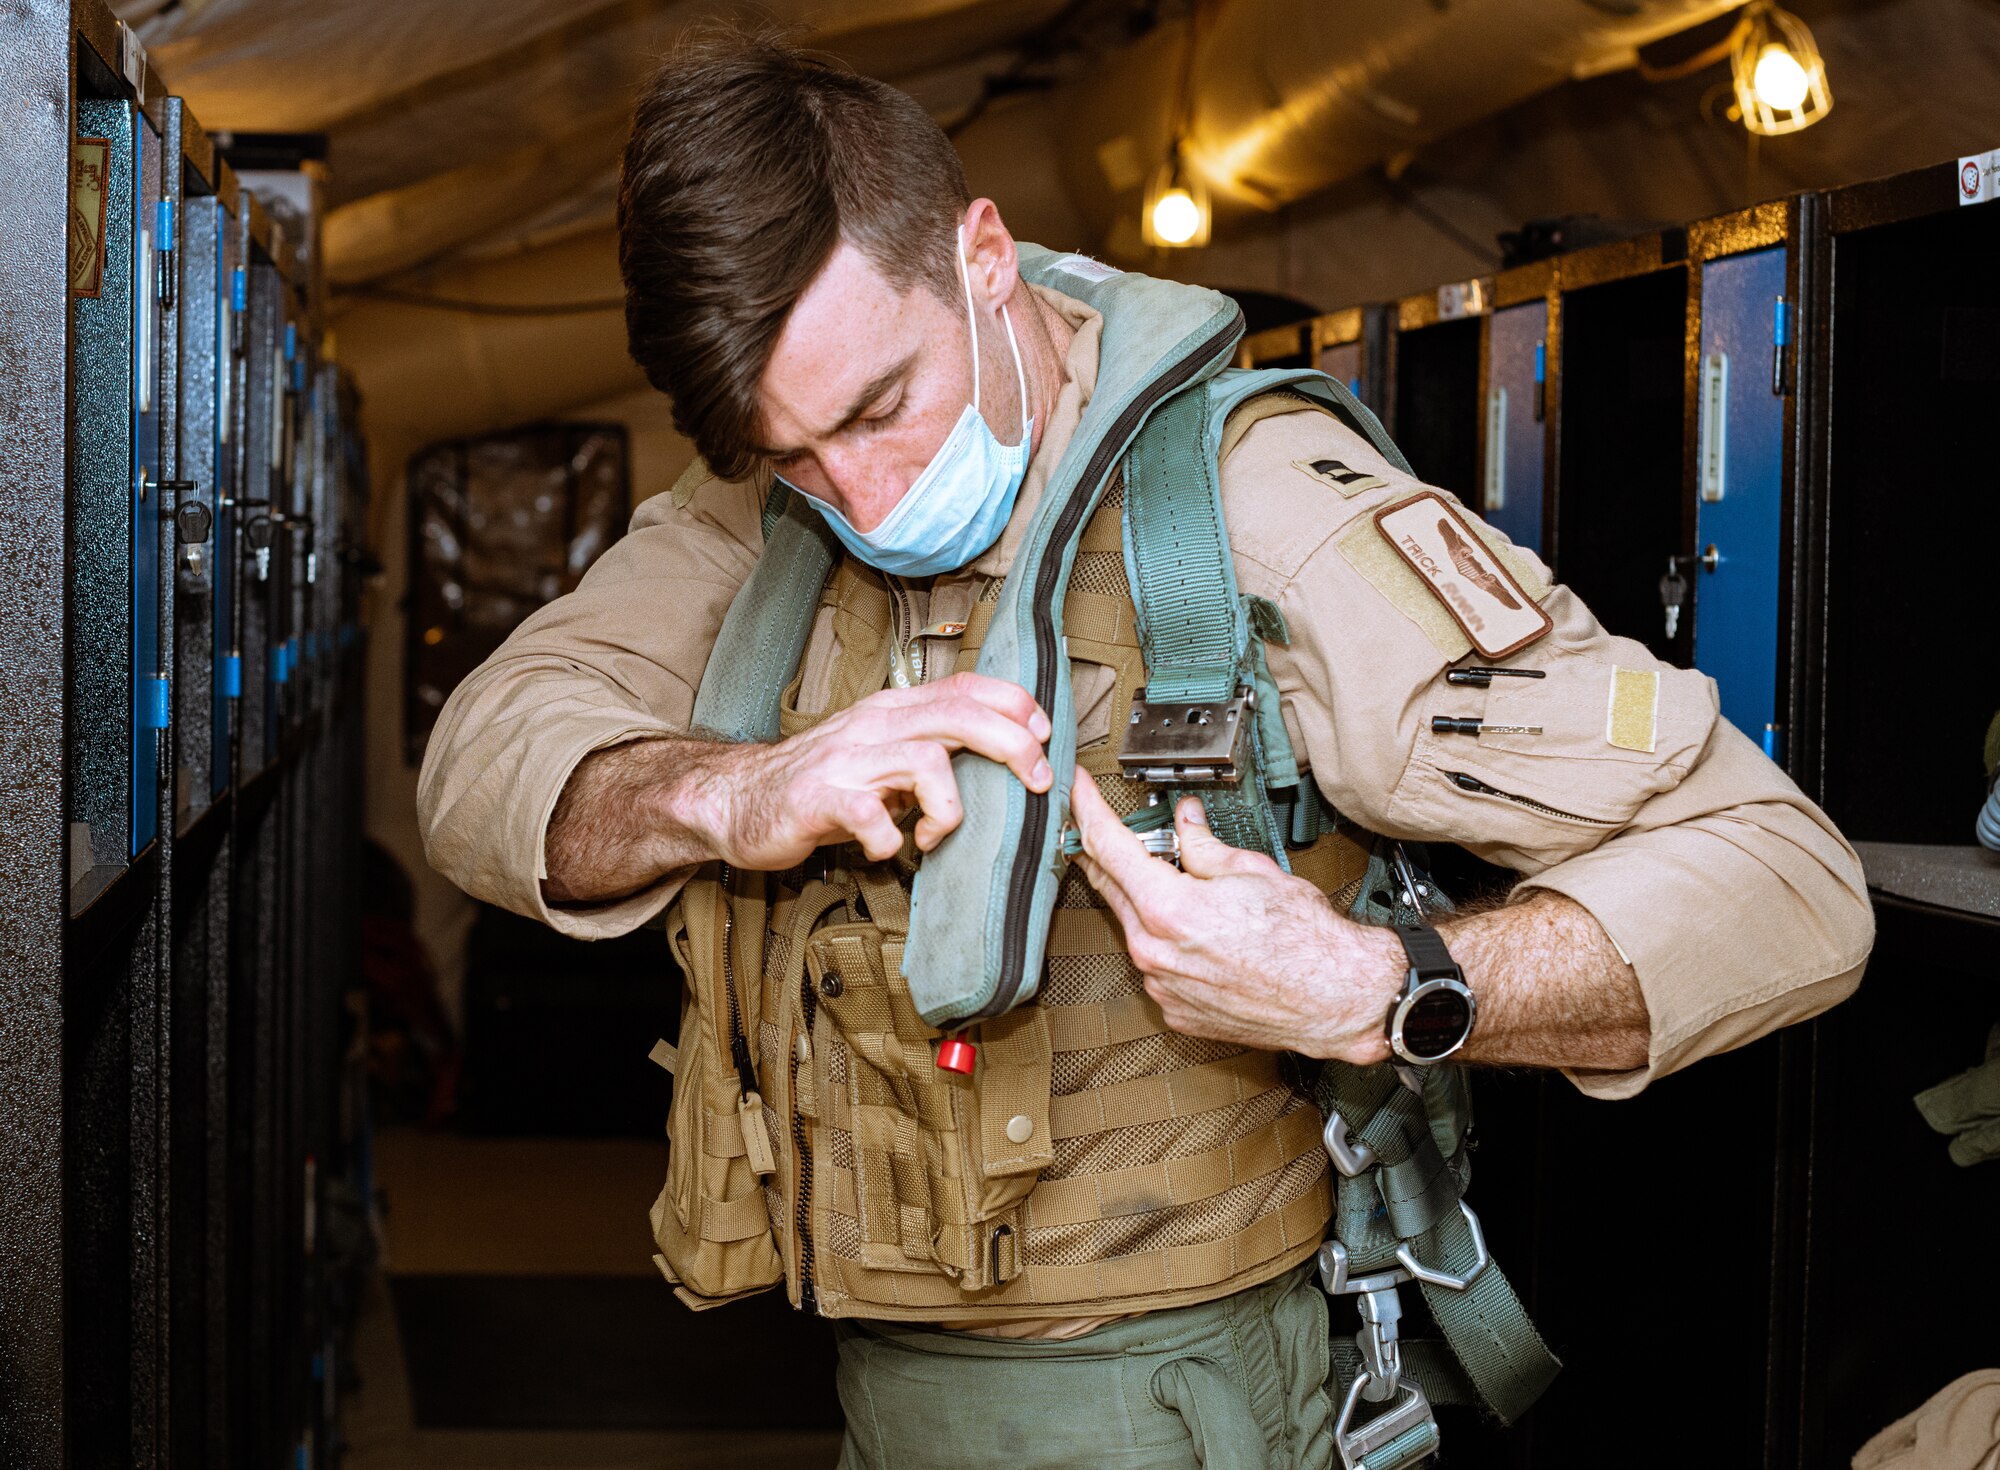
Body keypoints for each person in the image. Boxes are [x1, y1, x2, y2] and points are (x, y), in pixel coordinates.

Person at [417, 29, 1874, 1468]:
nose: (862, 492)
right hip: (878, 1384)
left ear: (986, 259)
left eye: (880, 407)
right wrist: (729, 789)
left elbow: (1786, 878)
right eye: (789, 452)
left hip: (1171, 1401)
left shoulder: (1259, 514)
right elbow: (480, 762)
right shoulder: (771, 513)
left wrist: (1384, 983)